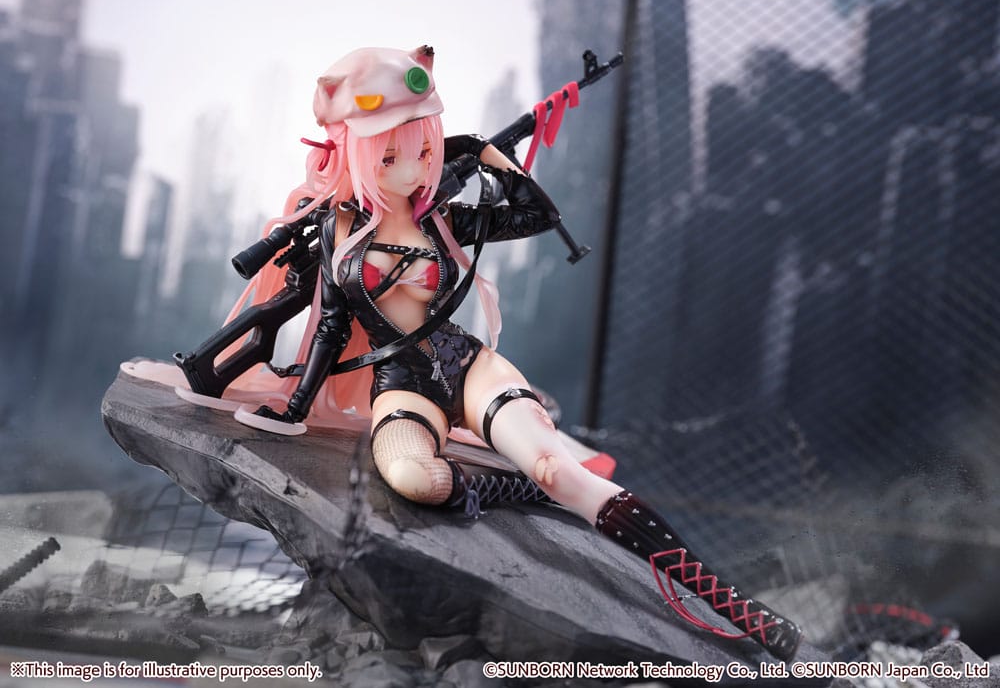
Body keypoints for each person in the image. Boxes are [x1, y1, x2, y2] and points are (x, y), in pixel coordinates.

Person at [185, 45, 801, 660]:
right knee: (414, 478)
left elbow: (538, 213)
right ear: (360, 154)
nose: (411, 168)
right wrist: (295, 407)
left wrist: (483, 151)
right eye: (390, 155)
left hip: (469, 367)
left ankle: (739, 609)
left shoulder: (445, 220)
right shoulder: (335, 229)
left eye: (423, 150)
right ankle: (516, 485)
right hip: (400, 385)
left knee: (561, 473)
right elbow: (330, 326)